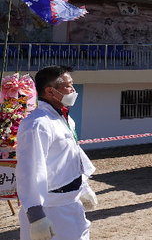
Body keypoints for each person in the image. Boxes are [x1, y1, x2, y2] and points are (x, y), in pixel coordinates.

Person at [16, 65, 98, 240]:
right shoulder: (37, 124)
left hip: (71, 203)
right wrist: (36, 216)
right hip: (51, 210)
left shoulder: (63, 118)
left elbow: (70, 158)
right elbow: (30, 170)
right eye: (68, 86)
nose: (73, 90)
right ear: (50, 91)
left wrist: (83, 187)